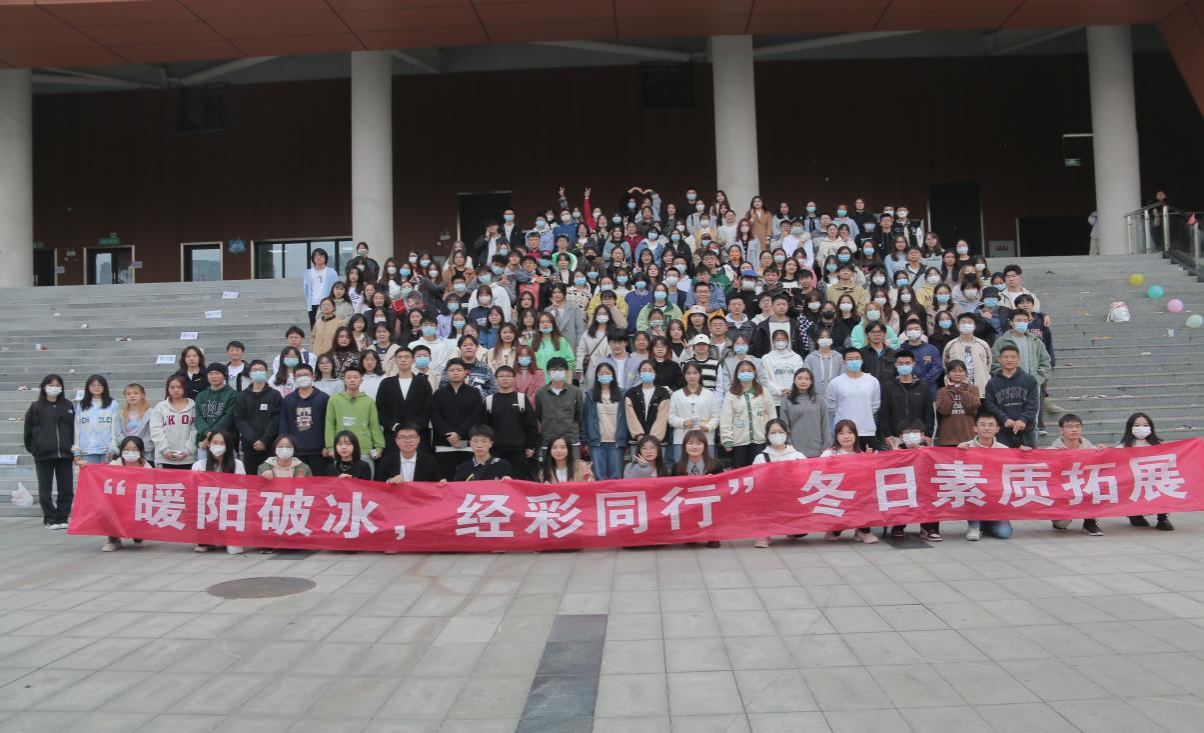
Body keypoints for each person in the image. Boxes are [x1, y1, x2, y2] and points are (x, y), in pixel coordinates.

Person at [23, 375, 76, 529]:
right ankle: (50, 518)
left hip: (65, 454)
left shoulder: (67, 405)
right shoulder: (36, 407)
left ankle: (63, 517)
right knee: (45, 489)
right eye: (51, 385)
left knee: (66, 488)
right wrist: (35, 449)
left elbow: (74, 428)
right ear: (44, 387)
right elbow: (28, 432)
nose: (54, 388)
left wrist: (73, 448)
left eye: (58, 385)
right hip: (43, 455)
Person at [819, 420, 879, 544]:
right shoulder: (829, 453)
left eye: (850, 432)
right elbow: (819, 474)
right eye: (841, 433)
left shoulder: (861, 454)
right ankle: (834, 530)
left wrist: (869, 461)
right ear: (836, 436)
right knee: (837, 525)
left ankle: (864, 531)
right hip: (836, 495)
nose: (846, 436)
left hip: (858, 496)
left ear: (855, 435)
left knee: (866, 497)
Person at [1044, 413, 1104, 536]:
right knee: (1062, 524)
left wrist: (1104, 452)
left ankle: (1090, 521)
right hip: (1062, 491)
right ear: (1061, 430)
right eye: (1069, 427)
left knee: (1097, 485)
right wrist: (1027, 452)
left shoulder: (1091, 450)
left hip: (1084, 488)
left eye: (1077, 426)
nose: (1074, 430)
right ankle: (1059, 519)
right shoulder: (1051, 451)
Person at [752, 419, 808, 548]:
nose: (777, 435)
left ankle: (792, 529)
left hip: (792, 497)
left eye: (780, 432)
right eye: (773, 432)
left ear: (786, 434)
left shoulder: (798, 456)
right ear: (767, 435)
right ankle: (764, 533)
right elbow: (756, 481)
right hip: (770, 498)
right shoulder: (761, 458)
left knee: (802, 530)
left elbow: (806, 478)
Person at [191, 430, 247, 554]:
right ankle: (205, 539)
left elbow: (241, 488)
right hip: (208, 504)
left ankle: (229, 537)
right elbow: (194, 489)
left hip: (229, 504)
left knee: (235, 548)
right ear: (208, 444)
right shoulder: (198, 465)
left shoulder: (237, 464)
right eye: (215, 442)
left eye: (222, 443)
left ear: (227, 446)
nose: (218, 446)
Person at [958, 411, 1011, 541]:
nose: (987, 428)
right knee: (972, 490)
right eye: (982, 424)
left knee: (1004, 533)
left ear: (997, 429)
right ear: (975, 428)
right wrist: (957, 452)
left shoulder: (1004, 449)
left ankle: (985, 523)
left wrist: (1025, 453)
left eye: (991, 425)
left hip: (996, 497)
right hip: (975, 495)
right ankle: (974, 525)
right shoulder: (965, 447)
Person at [481, 365, 539, 480]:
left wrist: (531, 446)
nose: (505, 378)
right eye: (501, 376)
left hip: (518, 451)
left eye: (508, 376)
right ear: (496, 379)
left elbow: (531, 425)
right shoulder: (489, 400)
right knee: (496, 483)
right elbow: (484, 427)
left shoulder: (521, 399)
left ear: (513, 379)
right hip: (495, 450)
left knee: (518, 482)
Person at [431, 358, 484, 478]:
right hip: (443, 445)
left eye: (459, 370)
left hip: (467, 444)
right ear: (446, 373)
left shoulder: (474, 393)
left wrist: (459, 434)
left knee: (467, 480)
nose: (455, 373)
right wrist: (449, 435)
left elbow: (475, 416)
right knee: (444, 479)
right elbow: (435, 417)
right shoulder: (439, 393)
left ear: (466, 372)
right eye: (452, 370)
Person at [1121, 412, 1174, 531]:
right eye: (1137, 425)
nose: (1141, 428)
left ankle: (1162, 517)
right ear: (1130, 427)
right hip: (1134, 481)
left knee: (1162, 484)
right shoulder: (1123, 447)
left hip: (1154, 479)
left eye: (1145, 425)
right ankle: (1134, 514)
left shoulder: (1159, 445)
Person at [325, 365, 385, 470]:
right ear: (344, 380)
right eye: (349, 377)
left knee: (364, 480)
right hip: (341, 450)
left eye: (355, 377)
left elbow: (374, 425)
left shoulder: (369, 401)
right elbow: (330, 425)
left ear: (361, 380)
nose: (352, 380)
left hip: (364, 450)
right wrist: (330, 447)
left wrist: (379, 446)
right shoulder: (334, 400)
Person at [720, 359, 778, 467]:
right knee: (740, 473)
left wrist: (772, 434)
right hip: (739, 442)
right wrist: (726, 438)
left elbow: (772, 414)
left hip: (760, 441)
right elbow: (726, 418)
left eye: (749, 370)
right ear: (737, 374)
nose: (745, 373)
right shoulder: (731, 394)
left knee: (759, 471)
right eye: (742, 371)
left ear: (754, 372)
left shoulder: (763, 391)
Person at [983, 344, 1039, 449]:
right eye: (1005, 357)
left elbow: (1033, 403)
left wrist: (1023, 419)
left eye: (1013, 357)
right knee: (1003, 458)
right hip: (1003, 432)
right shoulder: (992, 383)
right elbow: (990, 405)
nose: (1009, 360)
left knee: (1029, 458)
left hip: (1026, 430)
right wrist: (1004, 419)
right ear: (999, 360)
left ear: (1018, 360)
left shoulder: (1030, 380)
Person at [877, 350, 935, 449]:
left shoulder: (923, 386)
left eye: (907, 363)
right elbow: (884, 412)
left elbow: (929, 413)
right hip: (896, 436)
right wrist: (887, 434)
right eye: (900, 363)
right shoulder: (888, 387)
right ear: (895, 365)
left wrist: (928, 434)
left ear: (913, 364)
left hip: (919, 436)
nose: (904, 366)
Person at [824, 349, 881, 450]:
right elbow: (830, 405)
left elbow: (875, 404)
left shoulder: (872, 381)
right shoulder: (835, 383)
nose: (854, 361)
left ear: (862, 360)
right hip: (844, 433)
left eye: (857, 358)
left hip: (867, 431)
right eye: (850, 359)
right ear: (844, 362)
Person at [279, 363, 330, 475]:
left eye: (306, 374)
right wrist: (284, 447)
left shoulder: (324, 398)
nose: (303, 377)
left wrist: (328, 445)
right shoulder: (288, 400)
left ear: (313, 377)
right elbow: (283, 425)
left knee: (319, 482)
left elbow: (329, 424)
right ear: (294, 378)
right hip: (296, 451)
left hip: (319, 451)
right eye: (299, 375)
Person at [233, 359, 283, 473]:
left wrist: (265, 440)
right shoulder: (242, 396)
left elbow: (276, 419)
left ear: (266, 372)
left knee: (270, 477)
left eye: (261, 369)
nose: (258, 372)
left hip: (269, 446)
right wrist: (253, 440)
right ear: (250, 374)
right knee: (251, 478)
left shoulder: (275, 395)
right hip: (249, 446)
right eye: (254, 370)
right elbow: (240, 419)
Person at [583, 363, 629, 481]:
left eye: (608, 373)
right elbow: (585, 419)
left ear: (613, 375)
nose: (605, 376)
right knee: (599, 478)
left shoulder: (622, 394)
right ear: (597, 376)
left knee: (616, 477)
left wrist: (626, 440)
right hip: (597, 443)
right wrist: (585, 440)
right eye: (601, 374)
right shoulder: (590, 395)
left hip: (616, 442)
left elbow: (627, 418)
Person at [103, 436, 149, 551]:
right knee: (108, 509)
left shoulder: (147, 467)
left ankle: (138, 537)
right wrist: (84, 465)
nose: (130, 452)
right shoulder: (114, 464)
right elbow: (100, 474)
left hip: (137, 503)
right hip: (117, 503)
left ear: (141, 451)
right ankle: (114, 540)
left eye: (134, 449)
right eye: (127, 449)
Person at [534, 357, 585, 457]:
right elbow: (539, 414)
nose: (557, 373)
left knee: (574, 466)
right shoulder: (540, 393)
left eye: (561, 369)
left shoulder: (575, 392)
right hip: (548, 437)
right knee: (548, 466)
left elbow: (579, 415)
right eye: (553, 370)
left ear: (566, 371)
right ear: (548, 372)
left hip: (571, 437)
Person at [624, 360, 672, 461]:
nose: (647, 373)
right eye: (644, 370)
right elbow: (631, 417)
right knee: (637, 468)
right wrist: (639, 436)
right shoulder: (631, 393)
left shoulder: (663, 393)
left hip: (657, 441)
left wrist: (653, 439)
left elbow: (662, 417)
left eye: (650, 370)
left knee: (657, 468)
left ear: (655, 373)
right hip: (637, 441)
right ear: (639, 373)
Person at [150, 374, 196, 469]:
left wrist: (188, 450)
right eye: (172, 387)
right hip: (164, 458)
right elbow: (156, 430)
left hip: (188, 458)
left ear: (184, 388)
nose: (176, 390)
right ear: (168, 389)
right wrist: (165, 450)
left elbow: (195, 430)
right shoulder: (160, 407)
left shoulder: (193, 407)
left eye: (179, 387)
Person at [781, 368, 829, 458]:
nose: (803, 381)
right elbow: (784, 427)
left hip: (817, 448)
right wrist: (789, 447)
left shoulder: (819, 399)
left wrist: (826, 447)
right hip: (794, 450)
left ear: (811, 382)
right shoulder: (786, 401)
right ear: (794, 380)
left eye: (807, 379)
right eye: (800, 378)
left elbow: (825, 425)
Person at [72, 374, 118, 466]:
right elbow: (77, 428)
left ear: (104, 387)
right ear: (88, 387)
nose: (96, 387)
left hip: (107, 450)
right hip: (87, 450)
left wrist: (113, 447)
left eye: (99, 385)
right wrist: (76, 449)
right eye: (93, 385)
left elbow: (115, 427)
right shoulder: (81, 405)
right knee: (90, 475)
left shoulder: (113, 404)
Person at [943, 312, 993, 397]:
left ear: (974, 326)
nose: (966, 324)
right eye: (963, 322)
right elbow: (946, 366)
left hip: (981, 390)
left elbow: (988, 366)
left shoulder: (983, 345)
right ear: (958, 326)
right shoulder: (951, 345)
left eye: (969, 322)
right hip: (957, 391)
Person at [934, 360, 981, 446]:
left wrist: (963, 389)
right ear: (948, 374)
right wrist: (951, 390)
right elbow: (944, 410)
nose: (957, 374)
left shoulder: (973, 389)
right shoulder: (942, 391)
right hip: (948, 437)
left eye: (961, 371)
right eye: (953, 371)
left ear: (966, 373)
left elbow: (971, 408)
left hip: (968, 436)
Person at [193, 364, 237, 452]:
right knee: (203, 461)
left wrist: (212, 435)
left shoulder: (232, 394)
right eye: (210, 373)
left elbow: (228, 418)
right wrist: (207, 433)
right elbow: (198, 417)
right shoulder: (201, 395)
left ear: (224, 376)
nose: (213, 376)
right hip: (204, 441)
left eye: (217, 373)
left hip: (224, 440)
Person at [761, 329, 805, 411]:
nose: (780, 342)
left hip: (793, 399)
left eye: (783, 339)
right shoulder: (766, 358)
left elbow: (801, 376)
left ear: (787, 341)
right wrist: (779, 391)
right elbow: (764, 379)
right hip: (774, 401)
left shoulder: (796, 358)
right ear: (773, 341)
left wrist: (792, 390)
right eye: (777, 340)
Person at [114, 383, 154, 464]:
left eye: (136, 393)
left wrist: (138, 448)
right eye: (128, 394)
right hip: (126, 454)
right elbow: (118, 434)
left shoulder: (151, 413)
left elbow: (152, 434)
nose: (132, 396)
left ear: (142, 395)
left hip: (145, 454)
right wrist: (128, 448)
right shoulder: (120, 414)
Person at [304, 248, 338, 326]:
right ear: (313, 259)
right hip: (313, 304)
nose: (319, 257)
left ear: (325, 258)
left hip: (328, 304)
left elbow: (335, 288)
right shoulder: (308, 273)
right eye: (316, 256)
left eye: (321, 255)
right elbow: (306, 289)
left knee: (329, 326)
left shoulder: (332, 272)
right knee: (314, 328)